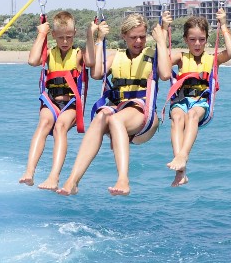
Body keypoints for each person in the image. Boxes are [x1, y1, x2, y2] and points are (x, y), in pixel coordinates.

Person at [57, 13, 165, 196]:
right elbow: (96, 73)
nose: (138, 41)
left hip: (143, 117)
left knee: (115, 120)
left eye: (142, 36)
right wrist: (98, 38)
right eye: (133, 37)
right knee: (100, 117)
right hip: (119, 110)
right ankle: (73, 181)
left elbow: (166, 74)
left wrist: (161, 41)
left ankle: (123, 179)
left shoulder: (154, 56)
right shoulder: (115, 56)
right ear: (124, 36)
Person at [159, 8, 231, 186]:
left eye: (201, 39)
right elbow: (162, 62)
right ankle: (180, 172)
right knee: (176, 117)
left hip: (201, 103)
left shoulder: (213, 59)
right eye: (192, 39)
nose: (197, 44)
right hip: (180, 100)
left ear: (207, 40)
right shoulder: (180, 57)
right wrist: (164, 29)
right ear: (186, 39)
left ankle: (183, 155)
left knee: (192, 114)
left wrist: (223, 25)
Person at [20, 11, 85, 189]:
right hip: (51, 101)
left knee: (60, 127)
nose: (65, 41)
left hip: (71, 104)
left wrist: (95, 35)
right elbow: (32, 60)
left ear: (74, 34)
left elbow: (94, 63)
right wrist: (42, 34)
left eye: (69, 37)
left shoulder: (79, 54)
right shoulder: (49, 54)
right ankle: (29, 172)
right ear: (54, 35)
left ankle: (53, 177)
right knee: (44, 123)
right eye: (61, 37)